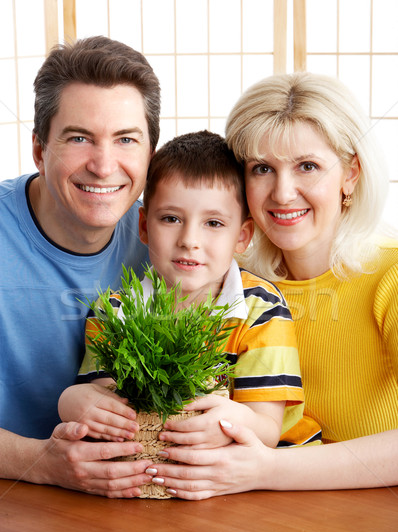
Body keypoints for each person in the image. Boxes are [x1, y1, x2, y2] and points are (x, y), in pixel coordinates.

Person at [144, 72, 398, 498]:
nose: (282, 193)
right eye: (262, 168)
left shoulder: (389, 276)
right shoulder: (225, 277)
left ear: (350, 175)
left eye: (308, 167)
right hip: (251, 513)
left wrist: (267, 470)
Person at [59, 130, 321, 452]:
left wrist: (229, 423)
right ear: (143, 226)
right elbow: (105, 400)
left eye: (213, 223)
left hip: (278, 467)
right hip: (169, 468)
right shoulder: (113, 311)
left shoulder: (260, 309)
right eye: (171, 218)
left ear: (242, 236)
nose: (189, 240)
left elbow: (267, 428)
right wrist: (74, 401)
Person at [0, 36, 161, 497]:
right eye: (78, 138)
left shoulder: (166, 241)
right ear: (39, 150)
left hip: (125, 496)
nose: (103, 165)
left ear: (151, 154)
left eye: (126, 139)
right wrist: (40, 463)